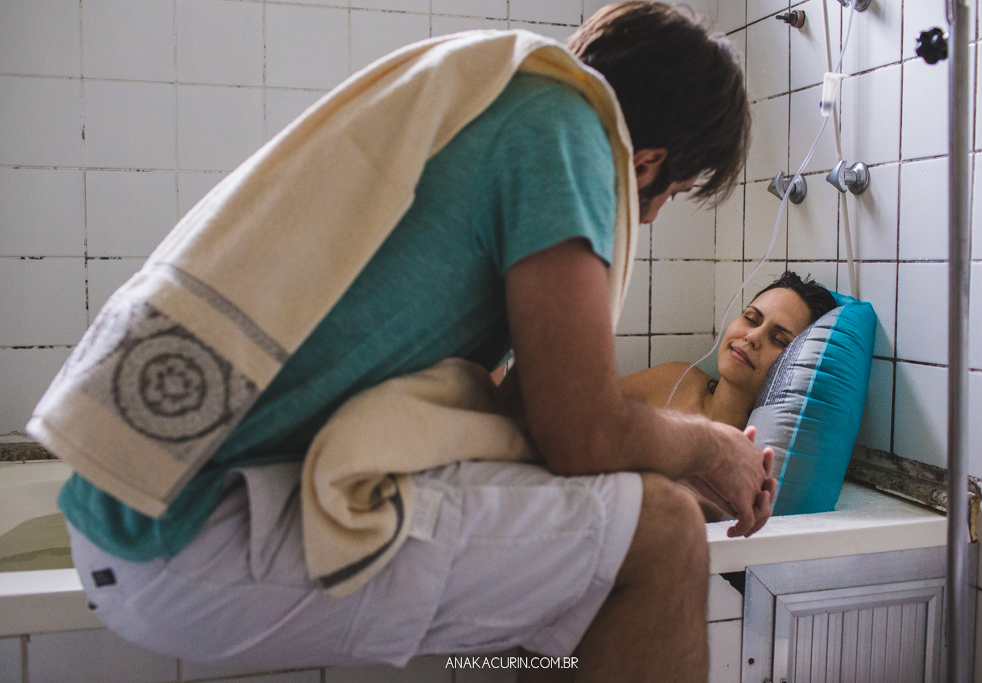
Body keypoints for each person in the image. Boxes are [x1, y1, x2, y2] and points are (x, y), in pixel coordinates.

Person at [54, 4, 771, 682]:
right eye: (669, 195)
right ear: (645, 162)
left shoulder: (499, 101)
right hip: (187, 531)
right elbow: (577, 434)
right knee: (664, 533)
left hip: (128, 500)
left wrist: (680, 465)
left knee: (589, 549)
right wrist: (712, 449)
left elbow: (535, 433)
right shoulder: (567, 133)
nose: (649, 214)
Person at [619, 271, 837, 520]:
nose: (752, 337)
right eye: (751, 319)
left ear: (794, 364)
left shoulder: (757, 454)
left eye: (778, 339)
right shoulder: (675, 379)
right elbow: (579, 422)